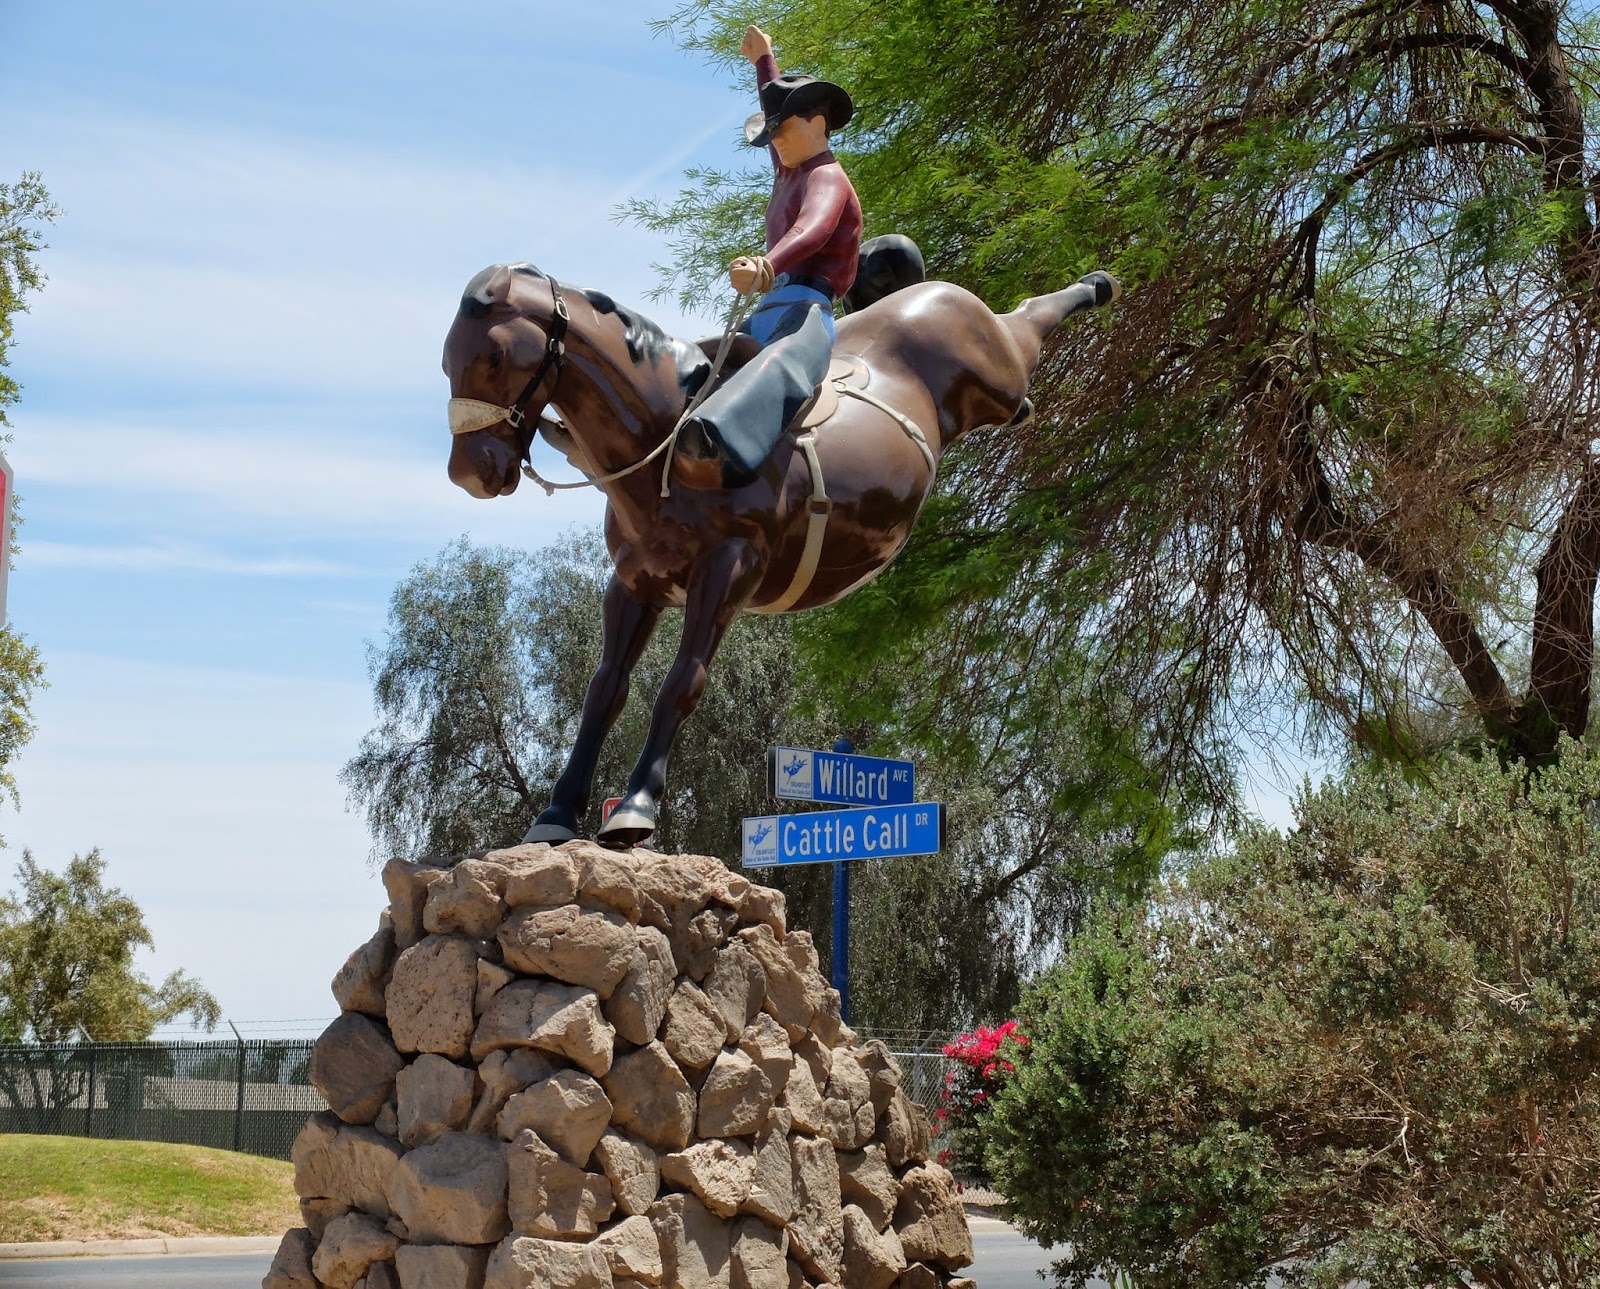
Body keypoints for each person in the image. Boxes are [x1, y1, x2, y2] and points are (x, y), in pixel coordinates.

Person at [681, 25, 863, 488]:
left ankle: (722, 442)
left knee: (781, 365)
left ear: (817, 124)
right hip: (767, 310)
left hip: (806, 313)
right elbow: (774, 105)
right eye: (773, 133)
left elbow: (812, 229)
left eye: (784, 130)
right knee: (701, 361)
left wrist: (766, 266)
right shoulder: (789, 167)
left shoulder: (828, 178)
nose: (776, 140)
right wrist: (764, 59)